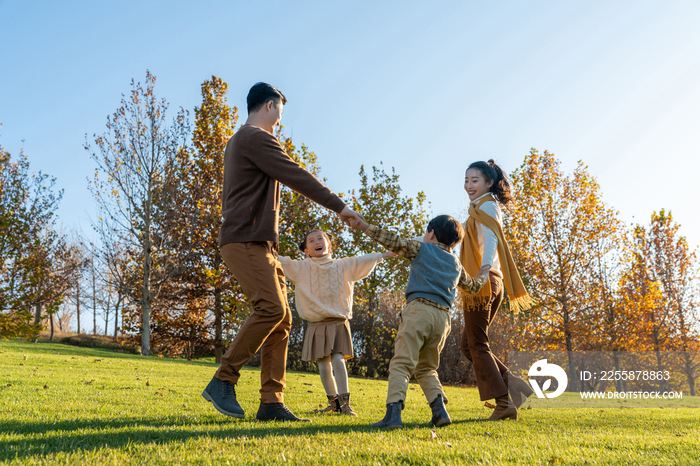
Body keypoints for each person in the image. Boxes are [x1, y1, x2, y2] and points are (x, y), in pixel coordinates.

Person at [201, 82, 364, 422]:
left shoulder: (243, 142)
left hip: (259, 244)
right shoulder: (255, 138)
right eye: (280, 114)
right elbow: (295, 174)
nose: (279, 122)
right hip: (245, 240)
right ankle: (224, 379)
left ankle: (271, 402)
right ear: (270, 107)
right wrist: (340, 207)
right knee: (270, 308)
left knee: (282, 319)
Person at [348, 214, 487, 429]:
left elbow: (392, 240)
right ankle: (440, 411)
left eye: (425, 232)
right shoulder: (456, 264)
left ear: (431, 233)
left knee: (402, 363)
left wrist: (364, 225)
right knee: (427, 368)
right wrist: (485, 273)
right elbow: (474, 286)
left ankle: (393, 416)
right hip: (442, 319)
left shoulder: (422, 248)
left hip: (419, 310)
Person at [278, 229, 393, 416]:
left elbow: (363, 260)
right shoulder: (301, 268)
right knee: (323, 366)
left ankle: (346, 405)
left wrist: (384, 254)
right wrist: (266, 250)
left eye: (320, 238)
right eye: (311, 240)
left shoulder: (344, 265)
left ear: (329, 244)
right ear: (306, 250)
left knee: (338, 361)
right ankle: (334, 405)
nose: (317, 241)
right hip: (316, 324)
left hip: (339, 323)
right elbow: (282, 261)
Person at [460, 159, 535, 421]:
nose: (469, 185)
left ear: (489, 182)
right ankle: (514, 384)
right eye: (466, 180)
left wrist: (483, 268)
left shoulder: (487, 205)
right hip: (490, 281)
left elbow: (491, 238)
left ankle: (504, 404)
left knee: (477, 344)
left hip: (485, 281)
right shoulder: (479, 208)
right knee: (469, 345)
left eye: (474, 180)